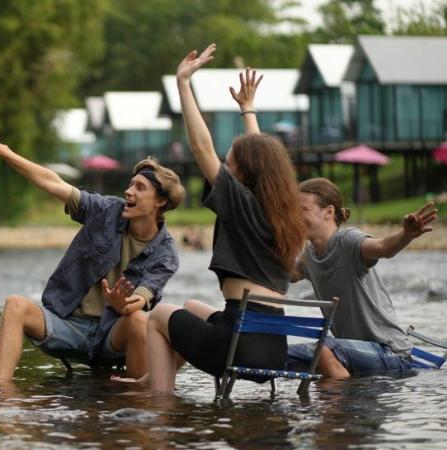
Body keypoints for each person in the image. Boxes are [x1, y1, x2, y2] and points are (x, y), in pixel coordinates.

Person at [116, 43, 306, 393]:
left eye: (229, 162)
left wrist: (183, 84)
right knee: (190, 306)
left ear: (244, 175)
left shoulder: (241, 205)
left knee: (158, 315)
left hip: (236, 346)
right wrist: (248, 110)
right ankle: (157, 374)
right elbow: (262, 159)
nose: (224, 167)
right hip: (272, 351)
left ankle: (159, 403)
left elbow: (201, 147)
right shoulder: (282, 216)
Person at [0, 113, 185, 383]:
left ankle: (138, 408)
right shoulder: (106, 210)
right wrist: (6, 153)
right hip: (67, 324)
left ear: (160, 201)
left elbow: (143, 297)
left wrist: (123, 305)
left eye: (139, 187)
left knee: (138, 320)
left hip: (112, 333)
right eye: (130, 184)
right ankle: (1, 396)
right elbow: (54, 183)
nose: (128, 192)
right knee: (15, 305)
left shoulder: (166, 253)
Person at [287, 178, 438, 377]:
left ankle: (344, 407)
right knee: (280, 354)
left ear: (328, 212)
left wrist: (406, 235)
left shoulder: (348, 241)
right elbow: (288, 274)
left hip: (389, 352)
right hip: (348, 351)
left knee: (322, 350)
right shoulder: (309, 256)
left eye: (302, 210)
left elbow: (383, 247)